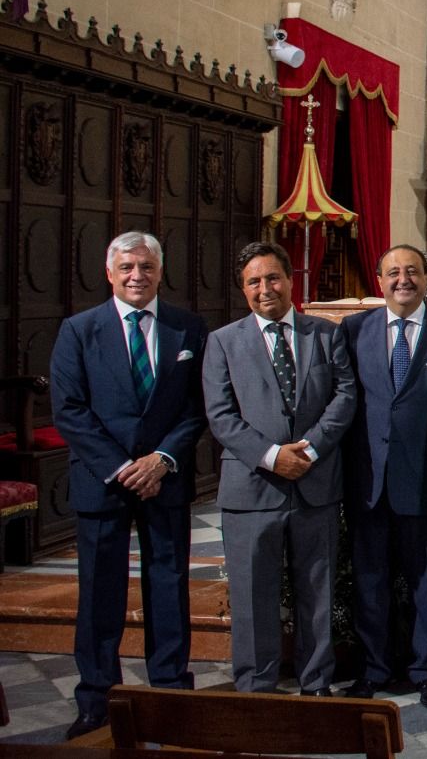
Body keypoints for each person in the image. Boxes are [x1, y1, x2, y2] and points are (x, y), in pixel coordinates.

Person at [51, 232, 209, 740]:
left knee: (168, 587)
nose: (136, 275)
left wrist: (161, 459)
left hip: (164, 479)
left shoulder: (188, 328)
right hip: (105, 482)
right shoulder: (79, 330)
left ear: (160, 271)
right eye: (126, 267)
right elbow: (69, 410)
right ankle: (97, 697)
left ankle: (169, 690)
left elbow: (196, 408)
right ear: (109, 273)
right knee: (100, 594)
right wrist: (122, 467)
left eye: (145, 266)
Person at [202, 241, 356, 695]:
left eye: (273, 278)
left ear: (291, 281)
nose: (264, 288)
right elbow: (221, 414)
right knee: (253, 598)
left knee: (318, 591)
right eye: (254, 281)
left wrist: (308, 450)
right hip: (252, 487)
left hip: (316, 483)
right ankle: (256, 686)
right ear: (243, 289)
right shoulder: (223, 342)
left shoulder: (325, 335)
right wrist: (273, 456)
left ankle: (316, 684)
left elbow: (345, 395)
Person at [337, 245, 427, 708]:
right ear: (379, 279)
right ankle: (374, 669)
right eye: (393, 272)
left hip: (426, 478)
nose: (403, 280)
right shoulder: (353, 330)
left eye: (412, 271)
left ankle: (426, 671)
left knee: (426, 580)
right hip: (369, 478)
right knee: (371, 578)